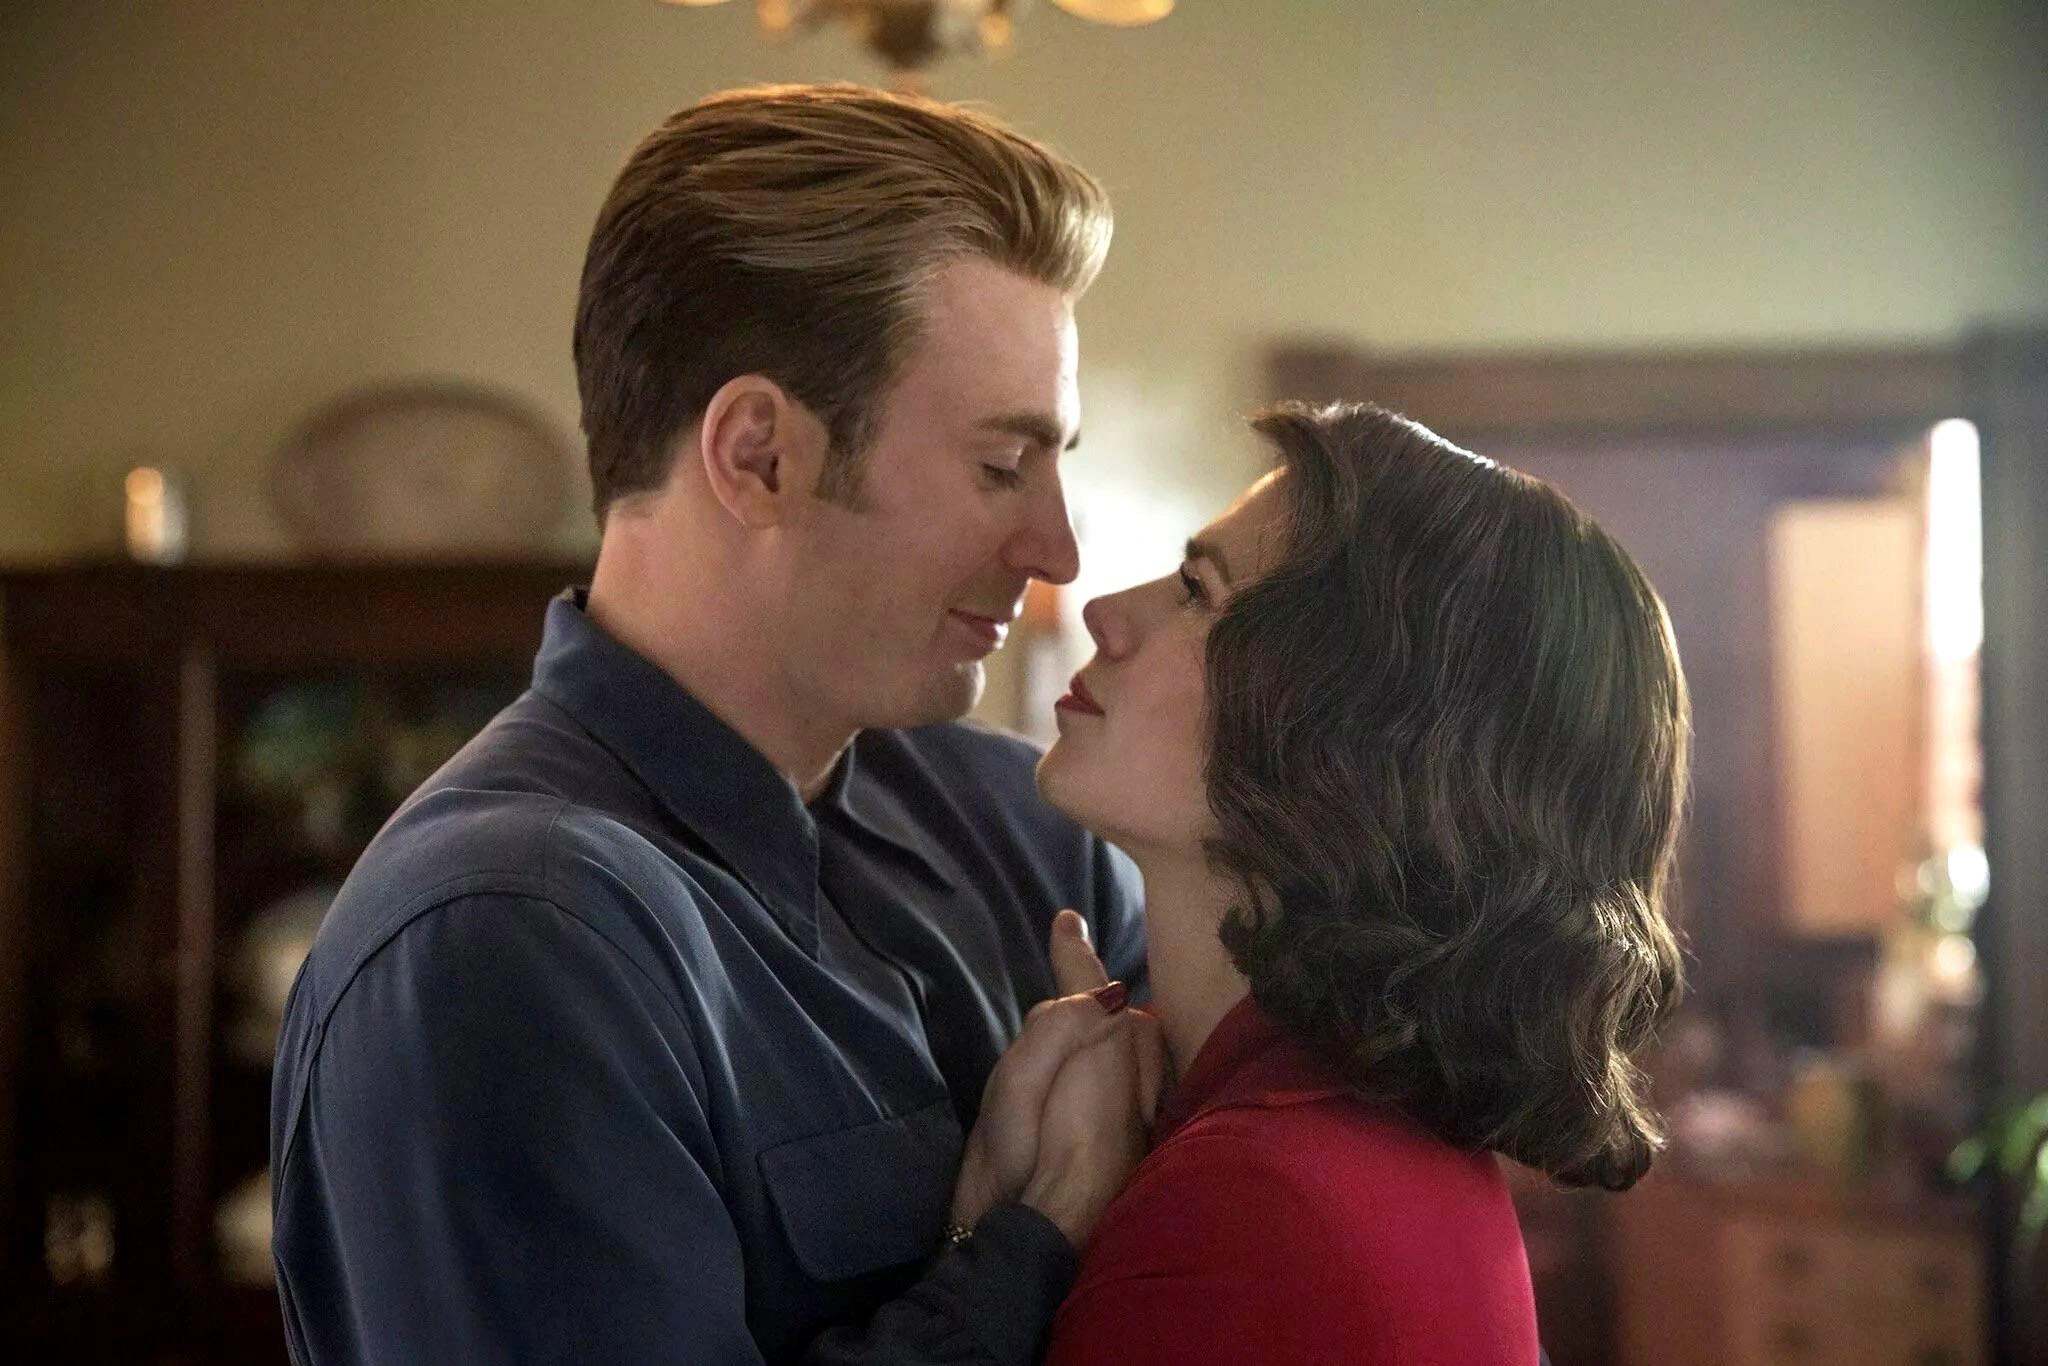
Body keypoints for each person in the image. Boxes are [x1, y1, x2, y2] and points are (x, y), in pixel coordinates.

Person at [269, 83, 1162, 1365]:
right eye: (998, 467)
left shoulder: (1032, 835)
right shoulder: (506, 938)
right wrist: (1031, 1238)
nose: (1057, 550)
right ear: (756, 454)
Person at [1034, 402, 1690, 1365]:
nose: (1104, 611)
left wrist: (1008, 1233)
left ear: (1348, 742)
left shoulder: (1253, 1209)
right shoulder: (1352, 1145)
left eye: (1196, 592)